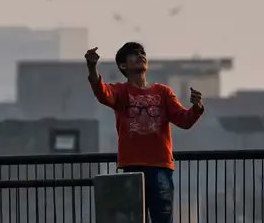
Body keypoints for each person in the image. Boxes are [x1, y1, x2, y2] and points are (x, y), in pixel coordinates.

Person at [86, 42, 204, 223]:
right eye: (134, 54)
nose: (141, 56)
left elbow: (184, 120)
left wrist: (196, 107)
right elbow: (102, 92)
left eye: (142, 53)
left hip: (160, 166)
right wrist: (92, 67)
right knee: (132, 219)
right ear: (123, 66)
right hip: (132, 166)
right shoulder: (121, 91)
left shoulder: (163, 92)